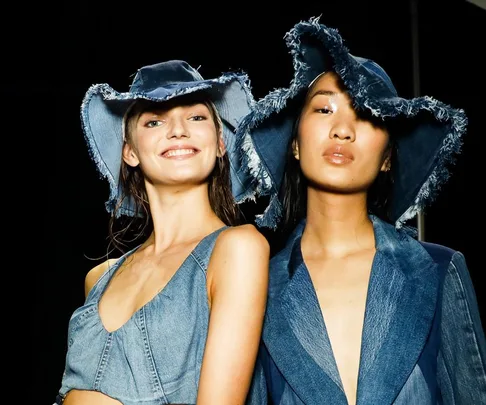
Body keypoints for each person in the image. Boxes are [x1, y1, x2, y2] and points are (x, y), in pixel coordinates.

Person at [240, 17, 486, 405]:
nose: (343, 130)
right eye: (324, 110)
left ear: (388, 156)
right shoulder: (255, 285)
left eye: (367, 115)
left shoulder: (440, 271)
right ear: (295, 144)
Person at [54, 59, 270, 405]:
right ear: (130, 152)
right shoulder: (99, 278)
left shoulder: (237, 249)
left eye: (196, 117)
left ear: (220, 144)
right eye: (155, 120)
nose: (178, 130)